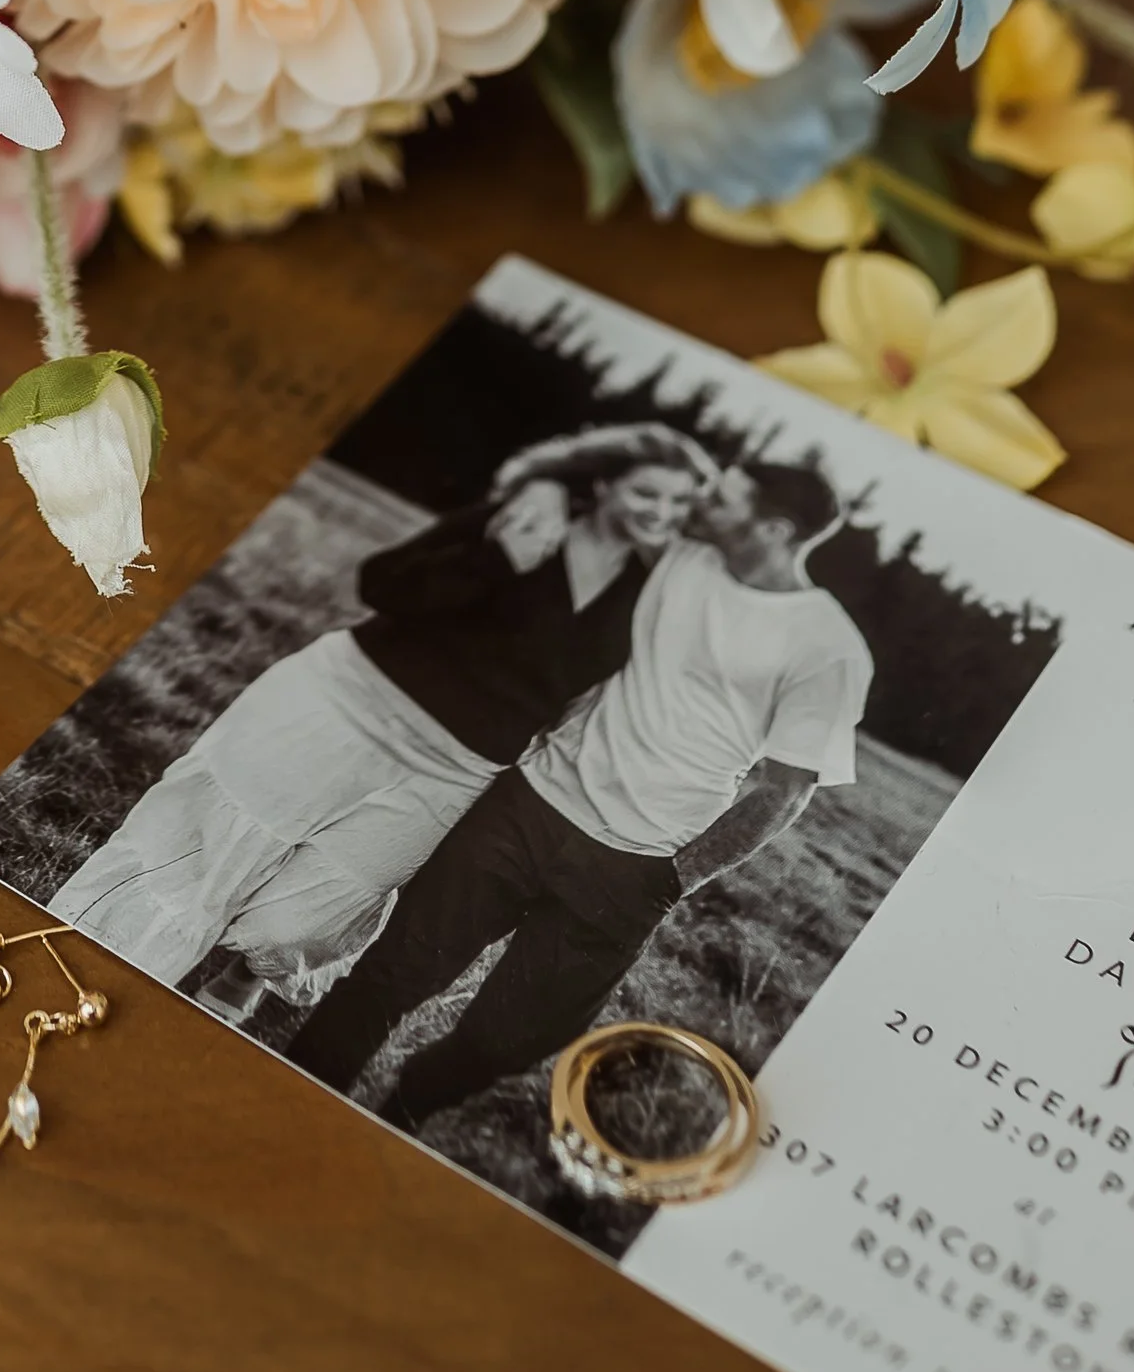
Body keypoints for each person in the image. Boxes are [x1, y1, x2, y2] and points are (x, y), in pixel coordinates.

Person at [285, 455, 871, 1124]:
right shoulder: (679, 554)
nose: (701, 502)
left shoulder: (829, 647)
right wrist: (541, 482)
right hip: (530, 804)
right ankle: (290, 1097)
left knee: (506, 1041)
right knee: (391, 975)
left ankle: (400, 1118)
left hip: (635, 864)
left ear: (774, 530)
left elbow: (786, 793)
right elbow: (592, 494)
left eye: (724, 499)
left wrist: (670, 880)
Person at [47, 428, 716, 998]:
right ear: (602, 484)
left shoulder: (650, 595)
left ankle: (242, 980)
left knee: (305, 919)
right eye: (648, 492)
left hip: (457, 765)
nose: (663, 510)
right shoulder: (524, 517)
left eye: (680, 501)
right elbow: (385, 583)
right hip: (347, 699)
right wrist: (498, 558)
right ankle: (97, 963)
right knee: (206, 855)